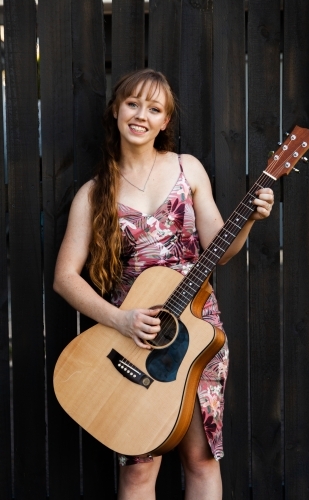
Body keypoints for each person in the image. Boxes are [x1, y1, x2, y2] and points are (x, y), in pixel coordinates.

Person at [53, 68, 274, 500]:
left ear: (165, 122)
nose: (141, 115)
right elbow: (64, 278)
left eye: (154, 109)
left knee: (201, 459)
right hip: (133, 339)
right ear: (116, 110)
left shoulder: (186, 169)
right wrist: (121, 320)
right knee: (138, 473)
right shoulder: (94, 193)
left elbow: (218, 247)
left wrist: (248, 219)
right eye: (133, 103)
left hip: (198, 337)